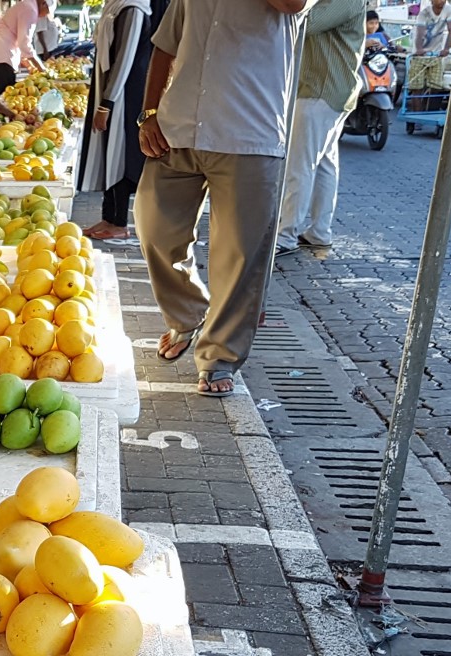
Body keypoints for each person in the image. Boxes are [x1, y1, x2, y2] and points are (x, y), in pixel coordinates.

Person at [133, 0, 310, 398]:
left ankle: (219, 357)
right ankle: (188, 311)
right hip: (178, 126)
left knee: (240, 253)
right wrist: (149, 113)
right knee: (153, 224)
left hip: (249, 131)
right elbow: (166, 43)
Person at [276, 0, 366, 255]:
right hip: (327, 89)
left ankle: (286, 235)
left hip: (321, 89)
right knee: (324, 163)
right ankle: (319, 231)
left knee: (300, 164)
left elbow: (305, 21)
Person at [77, 0, 167, 243]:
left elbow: (125, 59)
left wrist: (107, 103)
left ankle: (118, 222)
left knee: (120, 157)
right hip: (112, 93)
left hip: (125, 96)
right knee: (110, 155)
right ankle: (109, 218)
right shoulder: (119, 6)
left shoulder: (134, 9)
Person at [0, 0, 48, 95]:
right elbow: (24, 42)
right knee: (3, 98)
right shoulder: (31, 10)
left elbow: (17, 38)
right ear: (43, 4)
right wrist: (40, 68)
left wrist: (27, 62)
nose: (45, 15)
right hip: (2, 58)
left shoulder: (26, 5)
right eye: (47, 11)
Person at [408, 0, 451, 112]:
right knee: (417, 87)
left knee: (436, 86)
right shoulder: (424, 13)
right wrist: (419, 49)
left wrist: (446, 49)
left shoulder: (449, 10)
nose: (441, 1)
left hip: (436, 54)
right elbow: (420, 32)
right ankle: (417, 114)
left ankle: (430, 111)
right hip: (420, 54)